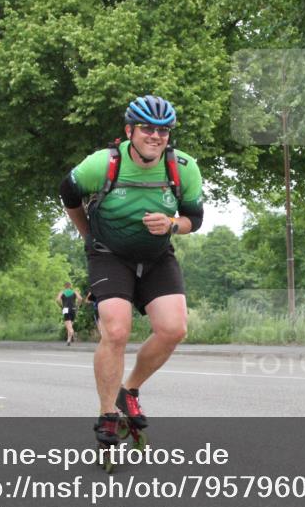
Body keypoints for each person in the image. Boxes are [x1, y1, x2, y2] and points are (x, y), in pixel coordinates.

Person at [59, 95, 204, 445]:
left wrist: (171, 224)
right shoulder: (102, 164)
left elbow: (194, 220)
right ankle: (108, 412)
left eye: (163, 131)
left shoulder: (183, 168)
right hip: (109, 253)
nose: (155, 136)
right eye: (147, 129)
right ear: (129, 131)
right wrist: (88, 235)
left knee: (174, 329)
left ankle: (130, 389)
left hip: (156, 255)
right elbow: (68, 193)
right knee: (117, 329)